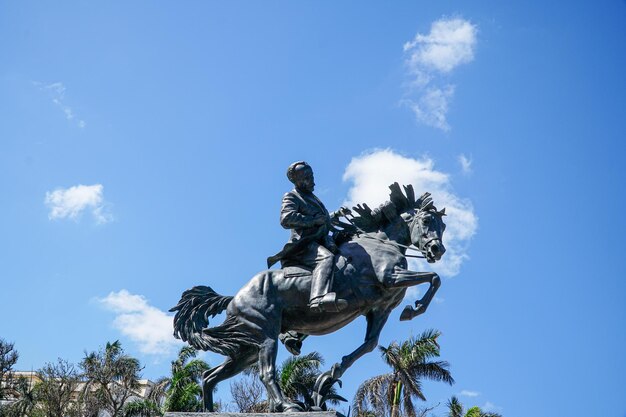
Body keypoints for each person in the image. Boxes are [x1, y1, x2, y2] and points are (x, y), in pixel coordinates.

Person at [267, 161, 350, 312]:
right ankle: (318, 299)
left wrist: (336, 215)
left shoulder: (312, 197)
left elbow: (322, 221)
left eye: (311, 176)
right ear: (296, 180)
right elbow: (286, 219)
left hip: (320, 241)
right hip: (303, 246)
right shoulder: (292, 196)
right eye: (307, 177)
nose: (312, 181)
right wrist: (312, 220)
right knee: (326, 258)